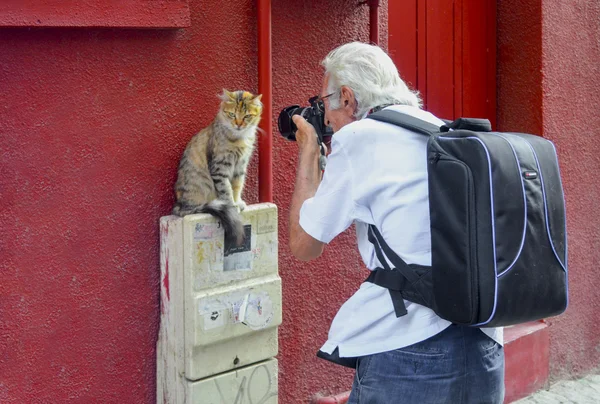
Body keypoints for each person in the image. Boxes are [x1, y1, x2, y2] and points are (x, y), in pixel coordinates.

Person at [288, 42, 505, 404]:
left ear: (347, 97)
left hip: (409, 349)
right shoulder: (441, 129)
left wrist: (309, 154)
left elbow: (304, 245)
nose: (326, 120)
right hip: (484, 343)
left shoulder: (359, 137)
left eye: (325, 104)